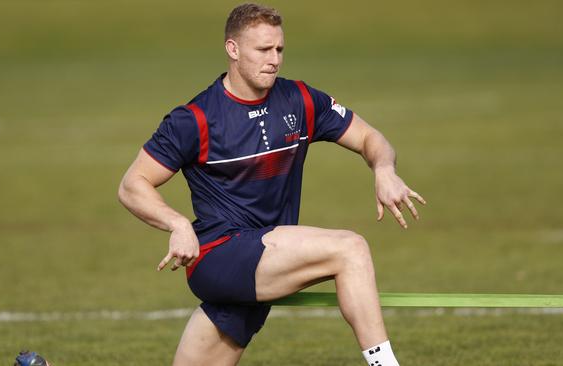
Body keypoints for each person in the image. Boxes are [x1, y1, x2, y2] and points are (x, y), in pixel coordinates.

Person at [118, 3, 425, 365]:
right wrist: (177, 223)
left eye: (279, 49)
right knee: (350, 249)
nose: (274, 59)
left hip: (264, 259)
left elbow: (370, 138)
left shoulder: (300, 100)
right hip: (220, 255)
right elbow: (132, 184)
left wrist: (384, 170)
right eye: (263, 50)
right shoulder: (195, 119)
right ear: (233, 49)